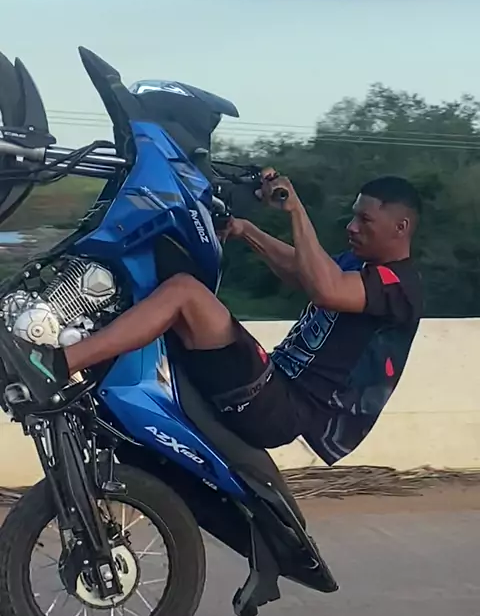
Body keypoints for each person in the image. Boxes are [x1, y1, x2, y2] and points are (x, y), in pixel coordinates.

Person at [7, 171, 423, 465]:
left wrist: (296, 212)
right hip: (271, 386)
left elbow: (325, 287)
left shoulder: (399, 285)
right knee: (162, 284)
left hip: (284, 407)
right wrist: (245, 230)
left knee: (185, 293)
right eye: (353, 216)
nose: (352, 227)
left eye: (365, 220)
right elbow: (300, 270)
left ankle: (56, 365)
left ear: (401, 226)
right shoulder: (361, 268)